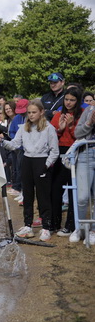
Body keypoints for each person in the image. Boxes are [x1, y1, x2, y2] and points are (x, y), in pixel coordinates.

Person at [0, 99, 59, 241]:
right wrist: (2, 141)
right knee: (27, 195)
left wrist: (46, 165)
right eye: (29, 112)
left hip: (41, 161)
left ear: (41, 112)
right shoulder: (24, 127)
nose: (31, 115)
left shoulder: (49, 128)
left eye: (34, 112)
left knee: (43, 195)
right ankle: (28, 225)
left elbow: (54, 151)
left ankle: (46, 226)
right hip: (26, 161)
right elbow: (15, 144)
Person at [51, 87, 84, 237]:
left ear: (78, 101)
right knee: (56, 188)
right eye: (66, 99)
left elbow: (81, 135)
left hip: (76, 152)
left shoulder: (82, 115)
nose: (69, 103)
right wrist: (59, 129)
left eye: (72, 100)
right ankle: (54, 222)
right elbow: (51, 137)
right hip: (60, 152)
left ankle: (70, 225)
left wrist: (70, 126)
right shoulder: (58, 114)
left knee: (72, 190)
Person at [71, 104, 95, 244]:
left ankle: (93, 230)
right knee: (82, 197)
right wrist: (89, 122)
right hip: (86, 154)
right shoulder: (90, 110)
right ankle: (79, 227)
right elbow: (77, 133)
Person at [7, 99, 29, 203]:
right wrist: (15, 139)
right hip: (19, 149)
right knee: (19, 170)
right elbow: (11, 132)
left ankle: (25, 194)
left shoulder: (31, 118)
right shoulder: (17, 118)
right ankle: (22, 192)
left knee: (26, 172)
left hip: (29, 150)